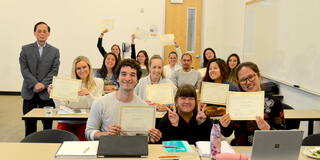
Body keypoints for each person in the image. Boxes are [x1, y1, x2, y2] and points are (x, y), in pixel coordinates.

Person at [85, 59, 162, 142]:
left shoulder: (144, 107)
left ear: (137, 80)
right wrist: (107, 134)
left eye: (132, 75)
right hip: (108, 151)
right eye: (124, 74)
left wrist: (151, 138)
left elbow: (144, 138)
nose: (128, 78)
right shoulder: (100, 103)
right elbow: (89, 133)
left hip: (134, 152)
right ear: (117, 78)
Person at [219, 62, 286, 146]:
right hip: (242, 150)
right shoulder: (236, 101)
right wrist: (224, 125)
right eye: (243, 80)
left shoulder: (274, 103)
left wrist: (268, 129)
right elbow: (227, 133)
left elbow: (282, 135)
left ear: (259, 75)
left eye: (251, 77)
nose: (248, 82)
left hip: (266, 149)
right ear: (239, 83)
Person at [19, 22, 60, 136]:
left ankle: (47, 145)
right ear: (34, 33)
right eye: (39, 31)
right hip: (29, 91)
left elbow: (54, 70)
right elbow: (24, 69)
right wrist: (35, 83)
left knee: (47, 125)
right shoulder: (25, 49)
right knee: (30, 125)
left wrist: (42, 84)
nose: (42, 33)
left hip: (46, 92)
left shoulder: (54, 51)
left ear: (49, 34)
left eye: (44, 31)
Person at [51, 56, 104, 141]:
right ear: (75, 70)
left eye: (84, 67)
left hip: (86, 122)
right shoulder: (69, 82)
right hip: (67, 121)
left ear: (89, 67)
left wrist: (88, 94)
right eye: (78, 68)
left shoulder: (98, 82)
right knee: (62, 144)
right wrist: (54, 95)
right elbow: (62, 106)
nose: (82, 70)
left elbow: (97, 106)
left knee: (83, 145)